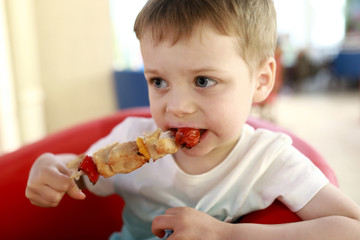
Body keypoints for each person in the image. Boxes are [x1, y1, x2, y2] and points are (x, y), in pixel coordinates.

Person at [26, 0, 360, 239]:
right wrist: (52, 167)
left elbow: (351, 228)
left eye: (203, 81)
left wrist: (228, 235)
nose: (177, 107)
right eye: (158, 82)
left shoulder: (268, 160)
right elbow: (81, 174)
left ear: (260, 81)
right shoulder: (131, 135)